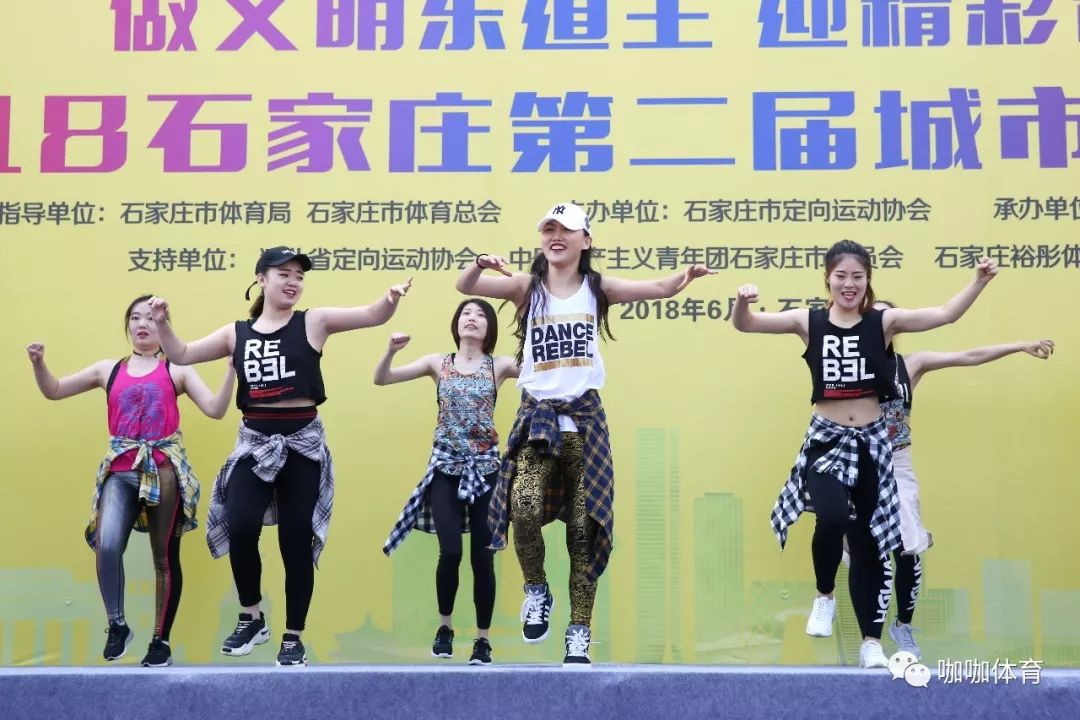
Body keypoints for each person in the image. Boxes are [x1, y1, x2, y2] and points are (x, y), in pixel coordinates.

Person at [456, 201, 715, 666]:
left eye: (566, 230)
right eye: (549, 230)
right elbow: (466, 286)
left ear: (586, 240)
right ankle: (537, 589)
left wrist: (686, 277)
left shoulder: (597, 289)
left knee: (583, 531)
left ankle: (579, 632)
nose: (556, 237)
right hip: (538, 422)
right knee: (523, 506)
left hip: (585, 424)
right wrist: (479, 263)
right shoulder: (526, 288)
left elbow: (659, 288)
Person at [732, 239, 998, 668]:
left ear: (868, 279)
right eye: (841, 276)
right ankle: (824, 596)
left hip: (873, 444)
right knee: (833, 515)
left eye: (857, 276)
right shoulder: (808, 321)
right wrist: (742, 303)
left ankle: (871, 642)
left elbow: (945, 314)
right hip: (827, 439)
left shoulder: (883, 322)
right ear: (828, 278)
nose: (849, 284)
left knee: (869, 545)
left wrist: (978, 282)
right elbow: (746, 325)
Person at [148, 246, 411, 666]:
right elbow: (181, 354)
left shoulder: (313, 322)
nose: (293, 282)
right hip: (255, 442)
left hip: (301, 444)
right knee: (240, 525)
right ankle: (252, 616)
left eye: (299, 276)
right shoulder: (236, 334)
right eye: (283, 273)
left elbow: (371, 315)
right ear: (261, 279)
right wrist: (162, 323)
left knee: (295, 539)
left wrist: (390, 298)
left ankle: (293, 636)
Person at [26, 295, 234, 667]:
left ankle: (160, 641)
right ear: (128, 325)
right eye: (135, 318)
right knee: (106, 544)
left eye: (151, 318)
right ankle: (117, 624)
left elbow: (216, 410)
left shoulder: (177, 369)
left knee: (164, 558)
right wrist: (39, 364)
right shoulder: (108, 370)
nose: (142, 325)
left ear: (163, 325)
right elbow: (54, 390)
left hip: (164, 468)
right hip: (121, 470)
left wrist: (232, 370)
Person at [378, 299, 520, 666]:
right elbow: (382, 378)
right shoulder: (436, 363)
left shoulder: (499, 365)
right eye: (466, 313)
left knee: (483, 557)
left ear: (489, 328)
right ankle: (445, 628)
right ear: (456, 323)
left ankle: (483, 640)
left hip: (486, 470)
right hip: (445, 468)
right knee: (451, 552)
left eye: (480, 315)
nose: (472, 318)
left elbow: (544, 372)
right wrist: (390, 351)